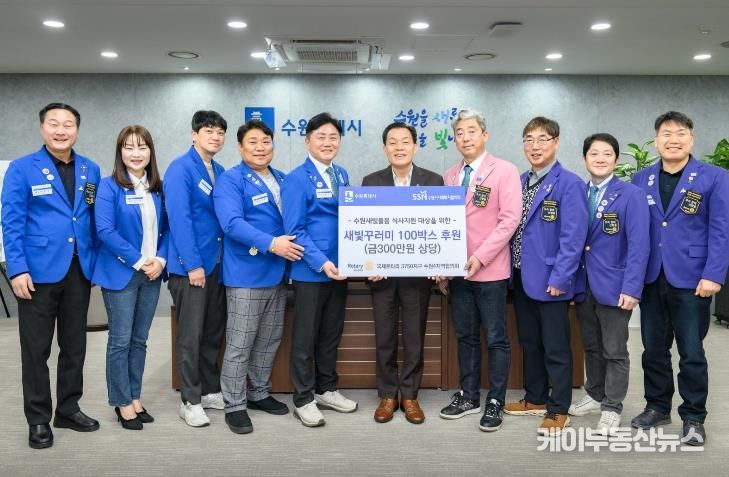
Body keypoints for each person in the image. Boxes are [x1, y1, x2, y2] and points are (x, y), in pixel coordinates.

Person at [1, 103, 101, 449]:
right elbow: (11, 222)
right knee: (36, 349)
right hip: (37, 273)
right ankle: (38, 419)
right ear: (42, 128)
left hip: (79, 270)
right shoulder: (21, 169)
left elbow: (90, 218)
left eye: (68, 124)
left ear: (77, 129)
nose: (61, 130)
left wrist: (95, 263)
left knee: (75, 346)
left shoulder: (90, 169)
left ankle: (68, 409)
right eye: (54, 124)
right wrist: (17, 269)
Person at [631, 111, 729, 446]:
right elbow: (637, 231)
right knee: (653, 349)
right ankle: (657, 407)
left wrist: (713, 274)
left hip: (693, 278)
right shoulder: (640, 178)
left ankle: (693, 416)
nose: (673, 139)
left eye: (681, 133)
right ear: (656, 140)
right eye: (666, 133)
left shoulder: (715, 177)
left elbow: (721, 230)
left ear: (691, 138)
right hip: (651, 277)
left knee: (691, 351)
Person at [213, 120, 303, 434]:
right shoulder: (230, 180)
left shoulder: (283, 178)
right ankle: (234, 405)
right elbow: (231, 224)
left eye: (266, 141)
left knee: (268, 339)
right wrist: (272, 244)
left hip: (278, 273)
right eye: (253, 142)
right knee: (240, 344)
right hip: (246, 274)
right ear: (240, 147)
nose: (261, 147)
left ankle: (259, 393)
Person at [504, 116, 588, 436]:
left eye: (542, 139)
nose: (535, 146)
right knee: (530, 343)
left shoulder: (570, 183)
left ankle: (559, 408)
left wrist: (561, 277)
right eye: (529, 139)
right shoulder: (519, 180)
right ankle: (536, 398)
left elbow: (574, 237)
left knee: (556, 347)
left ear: (556, 142)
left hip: (552, 280)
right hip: (521, 277)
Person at [438, 109, 522, 432]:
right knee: (466, 336)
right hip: (458, 273)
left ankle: (496, 400)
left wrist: (481, 257)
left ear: (484, 135)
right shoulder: (449, 175)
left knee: (497, 338)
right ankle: (469, 396)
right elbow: (442, 224)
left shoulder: (505, 170)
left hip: (490, 271)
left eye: (471, 131)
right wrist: (442, 266)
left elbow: (509, 220)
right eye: (460, 133)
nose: (465, 138)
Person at [362, 122, 444, 425]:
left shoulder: (433, 181)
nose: (399, 147)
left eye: (405, 141)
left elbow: (441, 226)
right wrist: (368, 263)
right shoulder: (371, 182)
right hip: (381, 277)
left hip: (417, 278)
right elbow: (364, 228)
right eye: (393, 142)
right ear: (385, 148)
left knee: (414, 338)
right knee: (384, 337)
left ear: (415, 146)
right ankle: (388, 395)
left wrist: (440, 261)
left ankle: (410, 395)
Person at [568, 133, 649, 435]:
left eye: (606, 154)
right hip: (582, 284)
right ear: (584, 159)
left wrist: (632, 288)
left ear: (615, 159)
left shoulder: (631, 195)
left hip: (615, 286)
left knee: (614, 350)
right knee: (591, 346)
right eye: (594, 154)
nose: (600, 159)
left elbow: (639, 246)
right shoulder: (578, 192)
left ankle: (612, 407)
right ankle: (594, 393)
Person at [281, 112, 357, 427]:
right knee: (305, 338)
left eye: (333, 137)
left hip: (339, 270)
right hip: (311, 271)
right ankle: (303, 398)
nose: (328, 142)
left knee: (330, 334)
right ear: (307, 141)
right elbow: (295, 229)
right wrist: (322, 262)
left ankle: (326, 389)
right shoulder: (296, 179)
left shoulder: (341, 174)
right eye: (321, 137)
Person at [92, 125, 168, 430]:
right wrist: (139, 260)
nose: (136, 153)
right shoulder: (109, 186)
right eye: (129, 147)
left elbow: (168, 229)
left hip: (152, 274)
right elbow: (105, 231)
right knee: (120, 341)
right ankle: (122, 402)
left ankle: (135, 397)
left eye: (142, 147)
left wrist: (160, 259)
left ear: (150, 152)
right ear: (120, 152)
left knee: (140, 340)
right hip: (121, 273)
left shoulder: (157, 187)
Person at [164, 110, 228, 427]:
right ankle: (190, 400)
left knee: (212, 332)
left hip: (216, 264)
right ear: (194, 134)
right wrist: (193, 264)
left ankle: (209, 389)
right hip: (191, 267)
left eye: (220, 132)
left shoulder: (219, 169)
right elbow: (180, 220)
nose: (215, 137)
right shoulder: (180, 169)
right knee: (190, 336)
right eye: (208, 131)